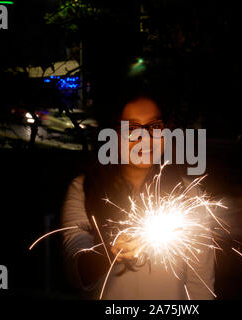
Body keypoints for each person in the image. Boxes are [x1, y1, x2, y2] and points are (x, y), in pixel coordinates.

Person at [60, 84, 215, 300]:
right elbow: (75, 271)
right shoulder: (84, 189)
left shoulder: (189, 193)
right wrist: (110, 252)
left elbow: (201, 283)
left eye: (154, 126)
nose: (145, 138)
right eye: (131, 129)